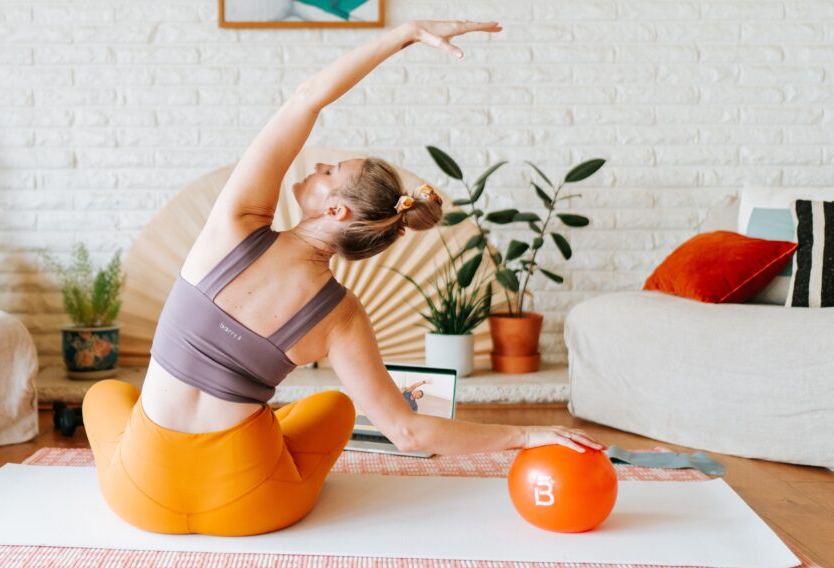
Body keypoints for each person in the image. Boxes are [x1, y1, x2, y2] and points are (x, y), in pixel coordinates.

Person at [82, 19, 604, 538]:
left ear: (335, 211)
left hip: (140, 497)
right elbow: (407, 431)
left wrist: (405, 34)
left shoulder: (233, 225)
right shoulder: (342, 315)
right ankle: (257, 437)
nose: (317, 166)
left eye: (329, 171)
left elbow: (305, 100)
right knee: (333, 407)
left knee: (104, 396)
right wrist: (527, 434)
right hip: (249, 506)